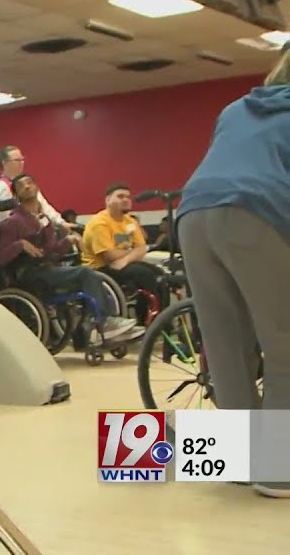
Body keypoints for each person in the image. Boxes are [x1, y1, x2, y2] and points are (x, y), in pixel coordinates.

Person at [175, 45, 290, 499]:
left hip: (192, 213)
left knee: (225, 343)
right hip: (254, 214)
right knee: (284, 345)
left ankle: (236, 462)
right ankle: (278, 473)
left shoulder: (236, 108)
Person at [0, 174, 141, 344]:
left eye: (30, 183)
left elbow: (51, 251)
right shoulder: (13, 222)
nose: (27, 186)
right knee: (85, 273)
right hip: (30, 274)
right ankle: (102, 323)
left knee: (93, 279)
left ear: (37, 187)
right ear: (16, 195)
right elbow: (0, 257)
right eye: (21, 186)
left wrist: (68, 241)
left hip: (48, 269)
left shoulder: (44, 220)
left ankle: (99, 326)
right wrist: (20, 244)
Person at [81, 182, 170, 323]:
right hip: (100, 268)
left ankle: (163, 321)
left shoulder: (130, 221)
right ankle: (148, 321)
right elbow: (109, 255)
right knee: (145, 275)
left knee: (162, 276)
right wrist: (132, 252)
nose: (126, 200)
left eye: (128, 197)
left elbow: (142, 248)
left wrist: (126, 259)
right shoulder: (99, 223)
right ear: (108, 200)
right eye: (120, 196)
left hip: (124, 263)